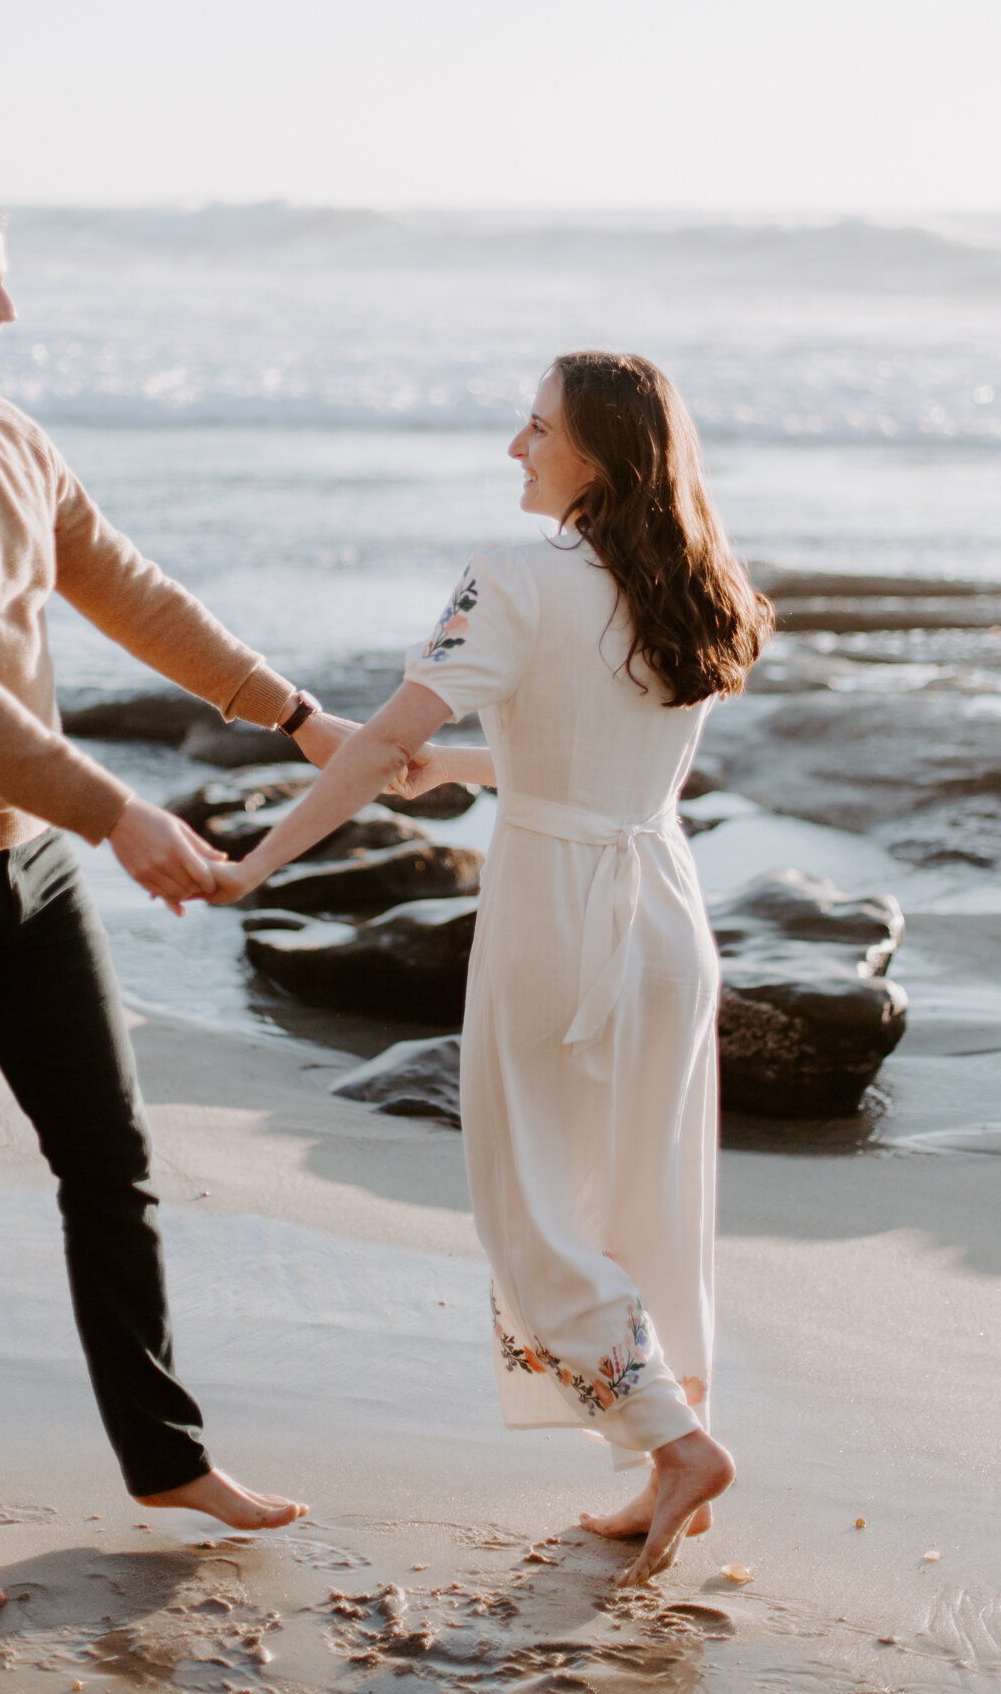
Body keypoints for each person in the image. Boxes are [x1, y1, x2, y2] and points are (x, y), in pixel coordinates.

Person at [0, 170, 374, 1613]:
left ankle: (164, 1458)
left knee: (113, 1166)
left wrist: (296, 715)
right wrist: (114, 813)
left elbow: (123, 583)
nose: (8, 309)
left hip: (23, 864)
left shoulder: (8, 433)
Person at [201, 351, 773, 1585]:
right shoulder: (699, 582)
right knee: (650, 1192)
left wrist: (255, 863)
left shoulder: (512, 577)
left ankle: (672, 1441)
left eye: (535, 428)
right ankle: (668, 1455)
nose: (515, 448)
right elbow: (587, 754)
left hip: (557, 909)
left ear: (598, 456)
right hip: (664, 906)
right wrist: (457, 767)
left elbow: (376, 748)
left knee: (525, 1200)